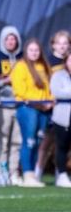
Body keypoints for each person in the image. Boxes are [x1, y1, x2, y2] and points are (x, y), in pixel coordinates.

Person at [10, 37, 53, 187]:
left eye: (37, 50)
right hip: (28, 109)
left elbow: (49, 88)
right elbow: (20, 91)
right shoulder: (20, 66)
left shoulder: (44, 66)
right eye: (31, 50)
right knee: (29, 141)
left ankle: (33, 175)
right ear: (26, 51)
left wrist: (50, 100)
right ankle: (27, 174)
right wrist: (38, 103)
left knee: (39, 142)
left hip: (43, 110)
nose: (34, 53)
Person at [0, 25, 23, 184]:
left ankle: (14, 173)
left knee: (17, 141)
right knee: (2, 140)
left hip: (21, 104)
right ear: (3, 40)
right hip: (2, 105)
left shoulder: (23, 57)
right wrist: (5, 79)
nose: (11, 41)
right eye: (8, 38)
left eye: (13, 38)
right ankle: (0, 174)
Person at [36, 29, 70, 179]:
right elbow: (44, 84)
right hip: (50, 107)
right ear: (53, 45)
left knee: (63, 142)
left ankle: (60, 171)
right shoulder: (48, 62)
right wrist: (47, 101)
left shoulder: (69, 61)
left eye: (65, 43)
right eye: (59, 43)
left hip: (65, 110)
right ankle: (37, 171)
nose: (62, 46)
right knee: (47, 141)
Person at [50, 53, 71, 188]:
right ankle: (61, 174)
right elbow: (57, 92)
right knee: (61, 146)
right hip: (62, 117)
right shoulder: (58, 75)